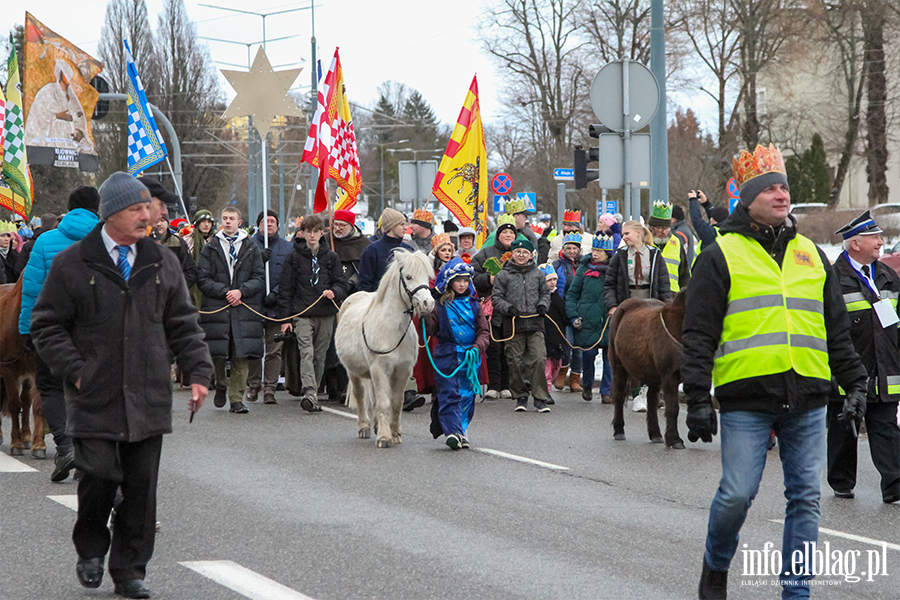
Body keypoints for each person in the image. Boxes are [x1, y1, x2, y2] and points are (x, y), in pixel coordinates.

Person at [681, 144, 867, 600]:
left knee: (805, 500)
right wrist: (698, 397)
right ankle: (716, 565)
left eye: (784, 186)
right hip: (747, 399)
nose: (782, 194)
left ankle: (796, 593)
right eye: (770, 188)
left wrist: (856, 381)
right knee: (737, 494)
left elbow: (835, 329)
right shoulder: (721, 254)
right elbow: (699, 332)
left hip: (807, 398)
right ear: (748, 200)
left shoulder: (811, 254)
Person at [30, 172, 212, 599]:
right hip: (94, 392)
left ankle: (130, 569)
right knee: (98, 472)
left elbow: (183, 324)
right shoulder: (73, 262)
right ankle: (91, 548)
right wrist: (77, 370)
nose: (147, 216)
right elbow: (46, 325)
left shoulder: (162, 261)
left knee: (141, 488)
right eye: (136, 208)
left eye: (148, 207)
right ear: (111, 213)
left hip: (148, 394)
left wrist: (200, 373)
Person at [19, 186, 100, 482]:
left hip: (52, 328)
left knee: (50, 386)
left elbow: (31, 288)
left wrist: (27, 328)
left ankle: (65, 446)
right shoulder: (107, 241)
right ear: (97, 209)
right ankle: (88, 453)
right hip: (96, 329)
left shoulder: (45, 241)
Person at [828, 211, 900, 504]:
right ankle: (842, 482)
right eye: (875, 238)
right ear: (855, 243)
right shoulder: (833, 278)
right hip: (848, 371)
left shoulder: (887, 276)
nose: (881, 242)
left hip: (886, 369)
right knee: (844, 429)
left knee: (885, 427)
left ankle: (895, 483)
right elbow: (827, 327)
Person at [197, 206, 265, 414]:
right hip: (218, 307)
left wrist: (241, 292)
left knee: (240, 354)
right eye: (224, 218)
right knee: (218, 353)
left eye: (231, 218)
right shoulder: (211, 247)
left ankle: (236, 398)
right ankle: (220, 384)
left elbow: (259, 278)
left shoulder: (251, 248)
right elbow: (203, 278)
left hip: (244, 308)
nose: (228, 222)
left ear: (240, 222)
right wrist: (226, 292)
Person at [278, 214, 348, 412]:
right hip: (302, 313)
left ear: (321, 233)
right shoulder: (293, 257)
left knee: (320, 354)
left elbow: (341, 283)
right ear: (302, 233)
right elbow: (285, 289)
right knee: (306, 352)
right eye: (308, 231)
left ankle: (314, 391)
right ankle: (309, 390)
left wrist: (334, 292)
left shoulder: (331, 257)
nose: (311, 235)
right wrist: (286, 319)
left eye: (315, 231)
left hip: (325, 312)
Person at [605, 220, 671, 412]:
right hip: (628, 306)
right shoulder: (620, 256)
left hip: (651, 306)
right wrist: (613, 306)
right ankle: (635, 395)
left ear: (639, 233)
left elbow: (663, 284)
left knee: (652, 352)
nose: (624, 237)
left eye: (627, 233)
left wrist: (665, 308)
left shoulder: (655, 255)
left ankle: (651, 393)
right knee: (631, 350)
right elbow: (609, 284)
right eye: (623, 234)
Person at [426, 258, 489, 449]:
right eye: (458, 280)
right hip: (447, 354)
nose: (462, 284)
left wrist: (477, 347)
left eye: (465, 281)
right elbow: (430, 329)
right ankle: (452, 432)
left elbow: (484, 332)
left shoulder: (475, 305)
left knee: (467, 395)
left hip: (470, 357)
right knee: (448, 393)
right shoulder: (440, 305)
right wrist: (425, 312)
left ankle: (462, 430)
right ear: (449, 282)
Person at [492, 238, 552, 413]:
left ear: (530, 255)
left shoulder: (538, 274)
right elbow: (496, 297)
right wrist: (507, 308)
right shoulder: (504, 275)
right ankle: (520, 395)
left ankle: (540, 397)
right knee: (514, 361)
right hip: (513, 324)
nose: (521, 255)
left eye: (525, 252)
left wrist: (543, 305)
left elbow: (545, 293)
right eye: (518, 252)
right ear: (512, 253)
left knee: (539, 358)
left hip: (535, 323)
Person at [246, 209, 293, 405]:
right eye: (266, 221)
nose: (270, 224)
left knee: (274, 350)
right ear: (259, 225)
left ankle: (270, 388)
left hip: (277, 305)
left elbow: (290, 277)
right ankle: (254, 383)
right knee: (254, 347)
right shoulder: (248, 246)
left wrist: (276, 291)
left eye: (273, 221)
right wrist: (258, 259)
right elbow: (242, 273)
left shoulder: (287, 248)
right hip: (253, 304)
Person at [472, 214, 518, 400]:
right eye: (504, 232)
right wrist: (487, 280)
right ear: (498, 235)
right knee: (492, 347)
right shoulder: (485, 253)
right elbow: (472, 275)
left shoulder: (520, 252)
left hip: (512, 307)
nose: (508, 235)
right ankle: (493, 385)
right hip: (490, 308)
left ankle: (507, 385)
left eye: (511, 232)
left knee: (510, 346)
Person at [567, 235, 613, 403]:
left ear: (607, 253)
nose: (595, 254)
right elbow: (572, 294)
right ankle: (587, 384)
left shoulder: (614, 270)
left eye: (599, 251)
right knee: (589, 354)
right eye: (594, 250)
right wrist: (573, 316)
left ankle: (607, 391)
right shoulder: (583, 269)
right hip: (587, 319)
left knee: (610, 357)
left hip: (608, 318)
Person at [357, 207, 413, 293]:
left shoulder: (408, 249)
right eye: (402, 224)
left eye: (406, 224)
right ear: (391, 226)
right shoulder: (372, 251)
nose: (406, 228)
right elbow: (365, 285)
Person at [648, 200, 690, 293]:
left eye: (665, 228)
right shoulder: (645, 242)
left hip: (672, 293)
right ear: (651, 227)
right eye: (658, 228)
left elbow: (684, 272)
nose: (663, 231)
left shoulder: (676, 242)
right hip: (651, 293)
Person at [540, 264, 568, 399]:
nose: (552, 283)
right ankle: (546, 390)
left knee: (557, 364)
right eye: (549, 280)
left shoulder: (557, 296)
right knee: (547, 365)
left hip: (558, 335)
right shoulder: (540, 298)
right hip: (545, 335)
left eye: (554, 280)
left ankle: (549, 383)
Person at [153, 210, 197, 289]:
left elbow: (191, 271)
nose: (159, 224)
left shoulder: (179, 243)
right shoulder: (144, 243)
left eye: (162, 220)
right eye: (156, 220)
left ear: (167, 223)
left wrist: (178, 288)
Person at [186, 209, 216, 307]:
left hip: (212, 283)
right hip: (192, 285)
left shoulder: (216, 242)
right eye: (203, 221)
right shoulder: (187, 241)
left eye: (209, 222)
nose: (206, 225)